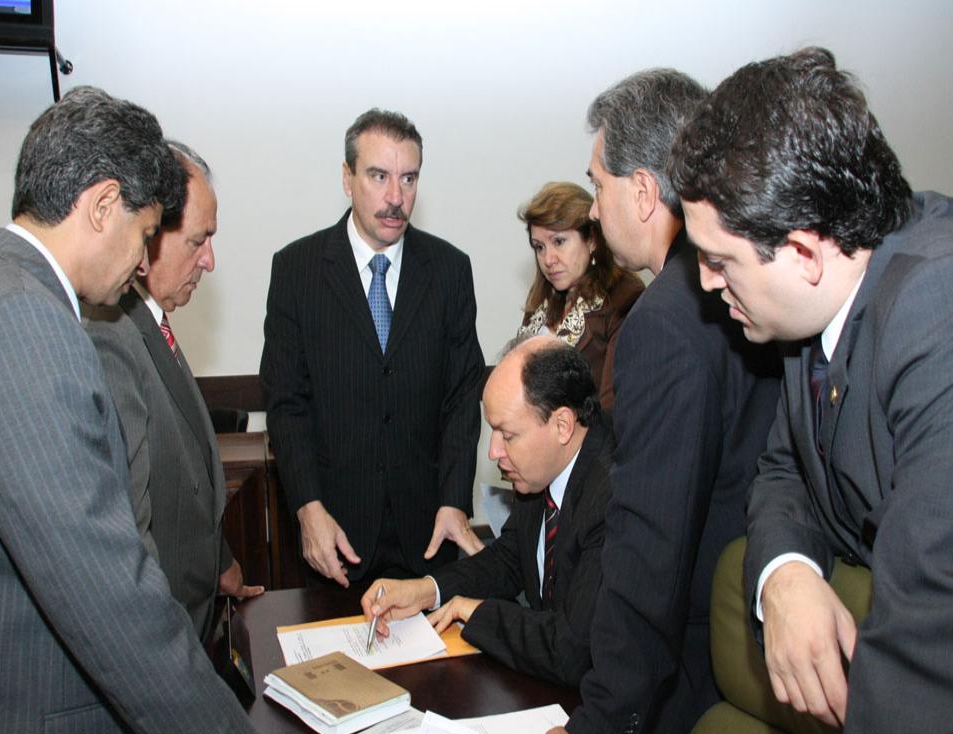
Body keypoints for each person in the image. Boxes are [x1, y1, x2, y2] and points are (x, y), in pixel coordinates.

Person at [668, 47, 953, 734]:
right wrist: (786, 573)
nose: (706, 283)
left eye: (719, 261)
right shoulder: (818, 304)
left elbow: (931, 681)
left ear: (804, 254)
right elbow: (787, 468)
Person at [0, 87, 270, 734]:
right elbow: (105, 588)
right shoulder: (26, 323)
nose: (141, 260)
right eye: (143, 232)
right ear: (104, 205)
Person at [519, 70, 781, 734]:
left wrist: (599, 729)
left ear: (641, 190)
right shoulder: (743, 285)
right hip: (751, 636)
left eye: (597, 185)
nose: (594, 208)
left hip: (689, 665)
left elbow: (650, 545)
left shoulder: (663, 320)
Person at [260, 108, 485, 588]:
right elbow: (286, 403)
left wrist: (454, 500)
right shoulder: (297, 270)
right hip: (335, 536)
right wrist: (308, 508)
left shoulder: (450, 270)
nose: (395, 198)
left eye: (408, 179)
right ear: (347, 178)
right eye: (379, 176)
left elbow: (463, 396)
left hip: (429, 535)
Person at [85, 141, 264, 645]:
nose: (210, 260)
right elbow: (127, 529)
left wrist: (220, 563)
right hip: (159, 638)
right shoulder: (110, 336)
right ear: (147, 237)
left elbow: (183, 474)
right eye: (197, 241)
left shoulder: (149, 322)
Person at [362, 336, 614, 687]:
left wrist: (476, 612)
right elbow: (510, 558)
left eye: (507, 435)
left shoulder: (613, 494)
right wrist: (426, 590)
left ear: (562, 425)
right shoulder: (539, 471)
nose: (494, 452)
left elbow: (573, 649)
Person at [516, 181, 643, 410]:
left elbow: (612, 406)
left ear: (592, 239)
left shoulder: (623, 297)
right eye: (539, 247)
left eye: (559, 242)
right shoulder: (541, 301)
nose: (548, 259)